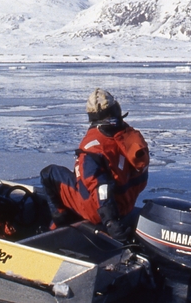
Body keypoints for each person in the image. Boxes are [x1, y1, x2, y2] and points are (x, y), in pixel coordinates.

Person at [40, 89, 150, 240]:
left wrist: (111, 223)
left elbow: (101, 187)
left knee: (49, 174)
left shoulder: (93, 148)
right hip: (127, 202)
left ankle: (59, 223)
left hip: (98, 212)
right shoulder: (129, 137)